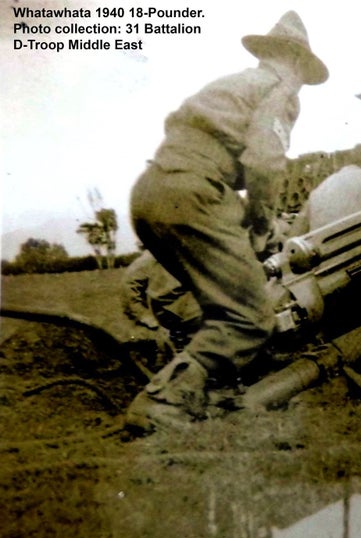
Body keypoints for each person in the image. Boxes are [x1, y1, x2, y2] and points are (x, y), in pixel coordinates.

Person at [125, 11, 328, 432]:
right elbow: (264, 161)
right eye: (303, 73)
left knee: (218, 303)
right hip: (194, 191)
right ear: (294, 60)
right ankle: (164, 400)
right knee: (251, 315)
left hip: (151, 190)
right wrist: (261, 223)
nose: (301, 83)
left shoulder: (235, 83)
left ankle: (205, 383)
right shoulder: (280, 90)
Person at [122, 249, 202, 362]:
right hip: (173, 311)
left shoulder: (190, 250)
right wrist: (144, 316)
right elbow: (129, 285)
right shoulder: (153, 256)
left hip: (195, 306)